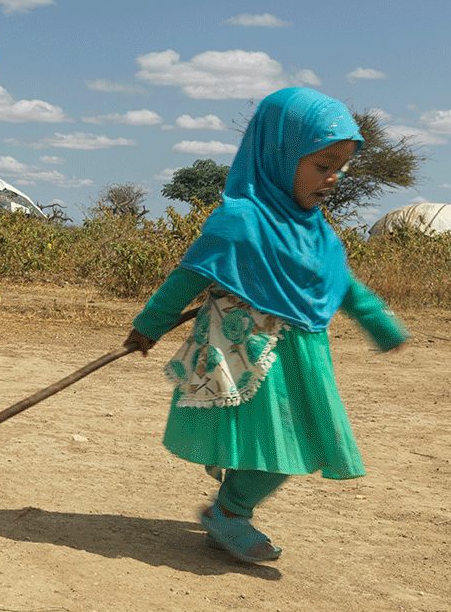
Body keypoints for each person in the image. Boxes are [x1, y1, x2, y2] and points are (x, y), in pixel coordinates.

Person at [125, 87, 408, 565]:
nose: (334, 177)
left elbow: (340, 282)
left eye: (341, 167)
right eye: (322, 165)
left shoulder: (314, 229)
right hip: (251, 357)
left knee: (284, 442)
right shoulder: (240, 220)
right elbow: (188, 276)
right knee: (289, 444)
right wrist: (148, 326)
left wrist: (379, 323)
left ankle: (229, 515)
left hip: (303, 357)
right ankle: (229, 514)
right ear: (278, 154)